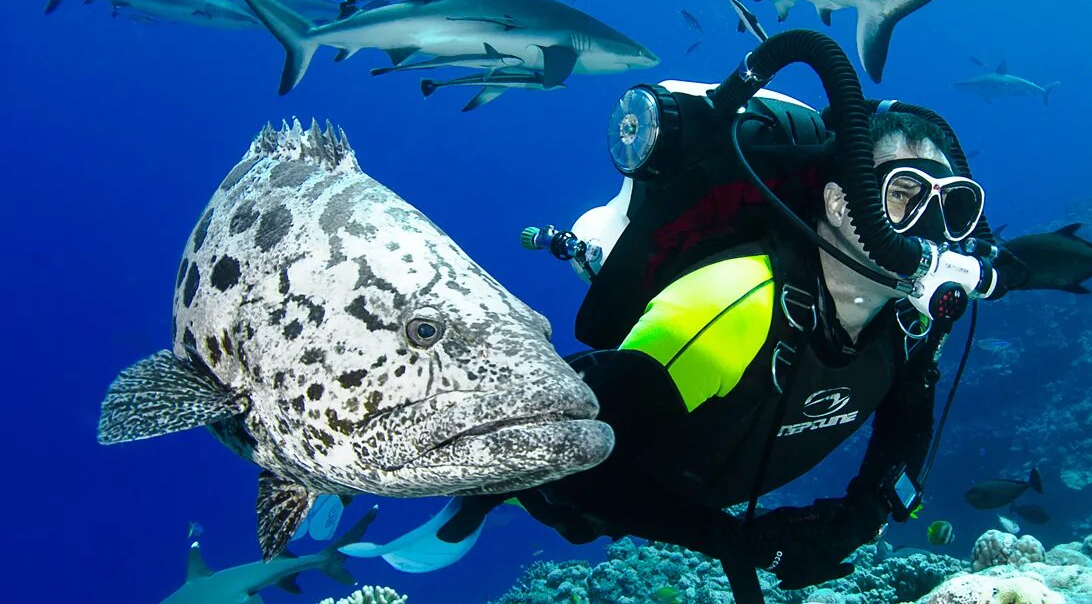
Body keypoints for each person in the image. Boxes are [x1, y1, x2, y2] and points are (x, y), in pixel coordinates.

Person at [359, 108, 1006, 594]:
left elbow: (907, 426)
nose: (930, 231)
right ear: (839, 202)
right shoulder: (734, 301)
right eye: (903, 196)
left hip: (696, 478)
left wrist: (856, 521)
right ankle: (466, 480)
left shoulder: (914, 318)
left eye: (951, 208)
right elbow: (580, 469)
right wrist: (742, 543)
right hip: (584, 461)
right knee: (567, 507)